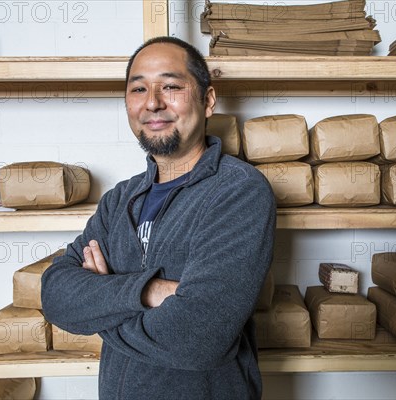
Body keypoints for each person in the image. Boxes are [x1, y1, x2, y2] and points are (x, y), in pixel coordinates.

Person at [41, 36, 276, 399]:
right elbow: (56, 294)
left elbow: (198, 337)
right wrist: (150, 291)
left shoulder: (238, 191)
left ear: (208, 100)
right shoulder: (119, 200)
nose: (153, 102)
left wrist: (99, 309)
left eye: (170, 86)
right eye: (138, 89)